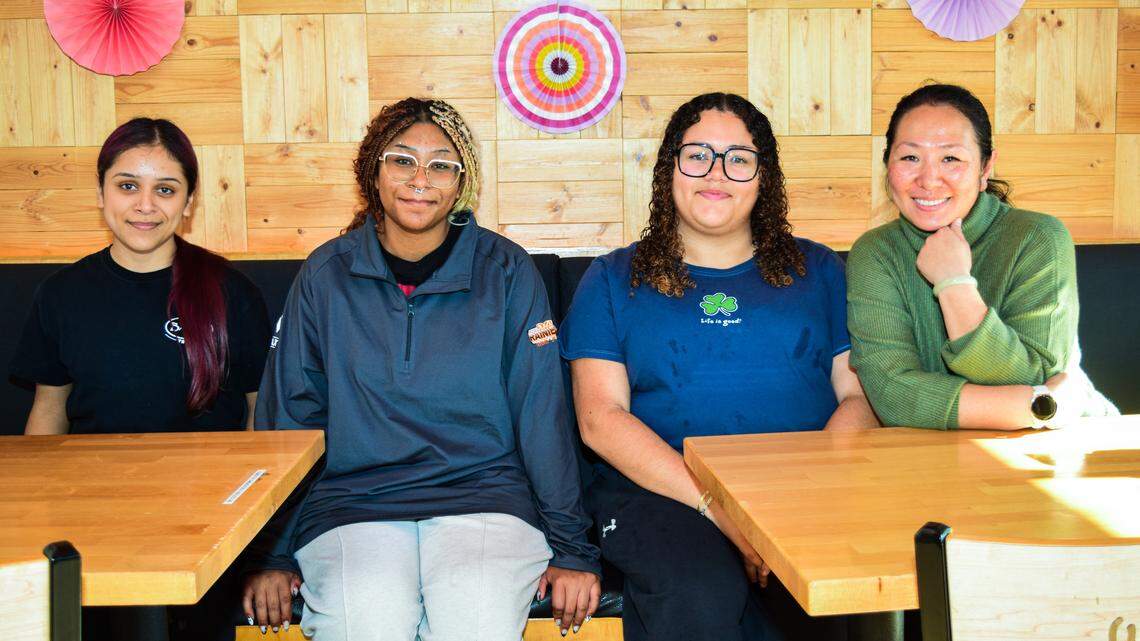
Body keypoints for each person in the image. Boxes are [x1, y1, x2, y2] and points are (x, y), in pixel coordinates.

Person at [242, 97, 601, 641]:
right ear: (374, 173)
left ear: (461, 183)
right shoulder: (326, 274)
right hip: (352, 503)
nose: (420, 179)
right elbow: (290, 417)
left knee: (473, 625)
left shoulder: (506, 271)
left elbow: (541, 415)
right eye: (402, 160)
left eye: (441, 165)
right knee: (364, 623)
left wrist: (574, 548)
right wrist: (273, 552)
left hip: (485, 497)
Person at [559, 92, 876, 641]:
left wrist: (794, 510)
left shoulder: (820, 270)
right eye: (698, 155)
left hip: (803, 488)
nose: (717, 173)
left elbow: (859, 399)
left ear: (763, 176)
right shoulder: (612, 279)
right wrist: (724, 513)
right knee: (701, 591)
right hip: (658, 495)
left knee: (819, 583)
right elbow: (600, 419)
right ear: (670, 169)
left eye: (738, 158)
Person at [8, 117, 270, 640]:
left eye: (165, 189)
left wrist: (257, 546)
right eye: (127, 185)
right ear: (101, 193)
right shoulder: (61, 295)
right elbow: (48, 411)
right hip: (91, 517)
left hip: (206, 524)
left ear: (189, 202)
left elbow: (261, 419)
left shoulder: (230, 292)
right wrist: (33, 529)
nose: (145, 205)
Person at [847, 84, 1117, 430]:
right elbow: (892, 395)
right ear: (888, 166)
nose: (929, 180)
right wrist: (1039, 406)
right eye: (910, 157)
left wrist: (953, 283)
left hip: (1067, 447)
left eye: (951, 159)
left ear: (985, 169)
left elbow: (1036, 372)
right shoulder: (875, 252)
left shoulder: (1037, 238)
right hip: (939, 456)